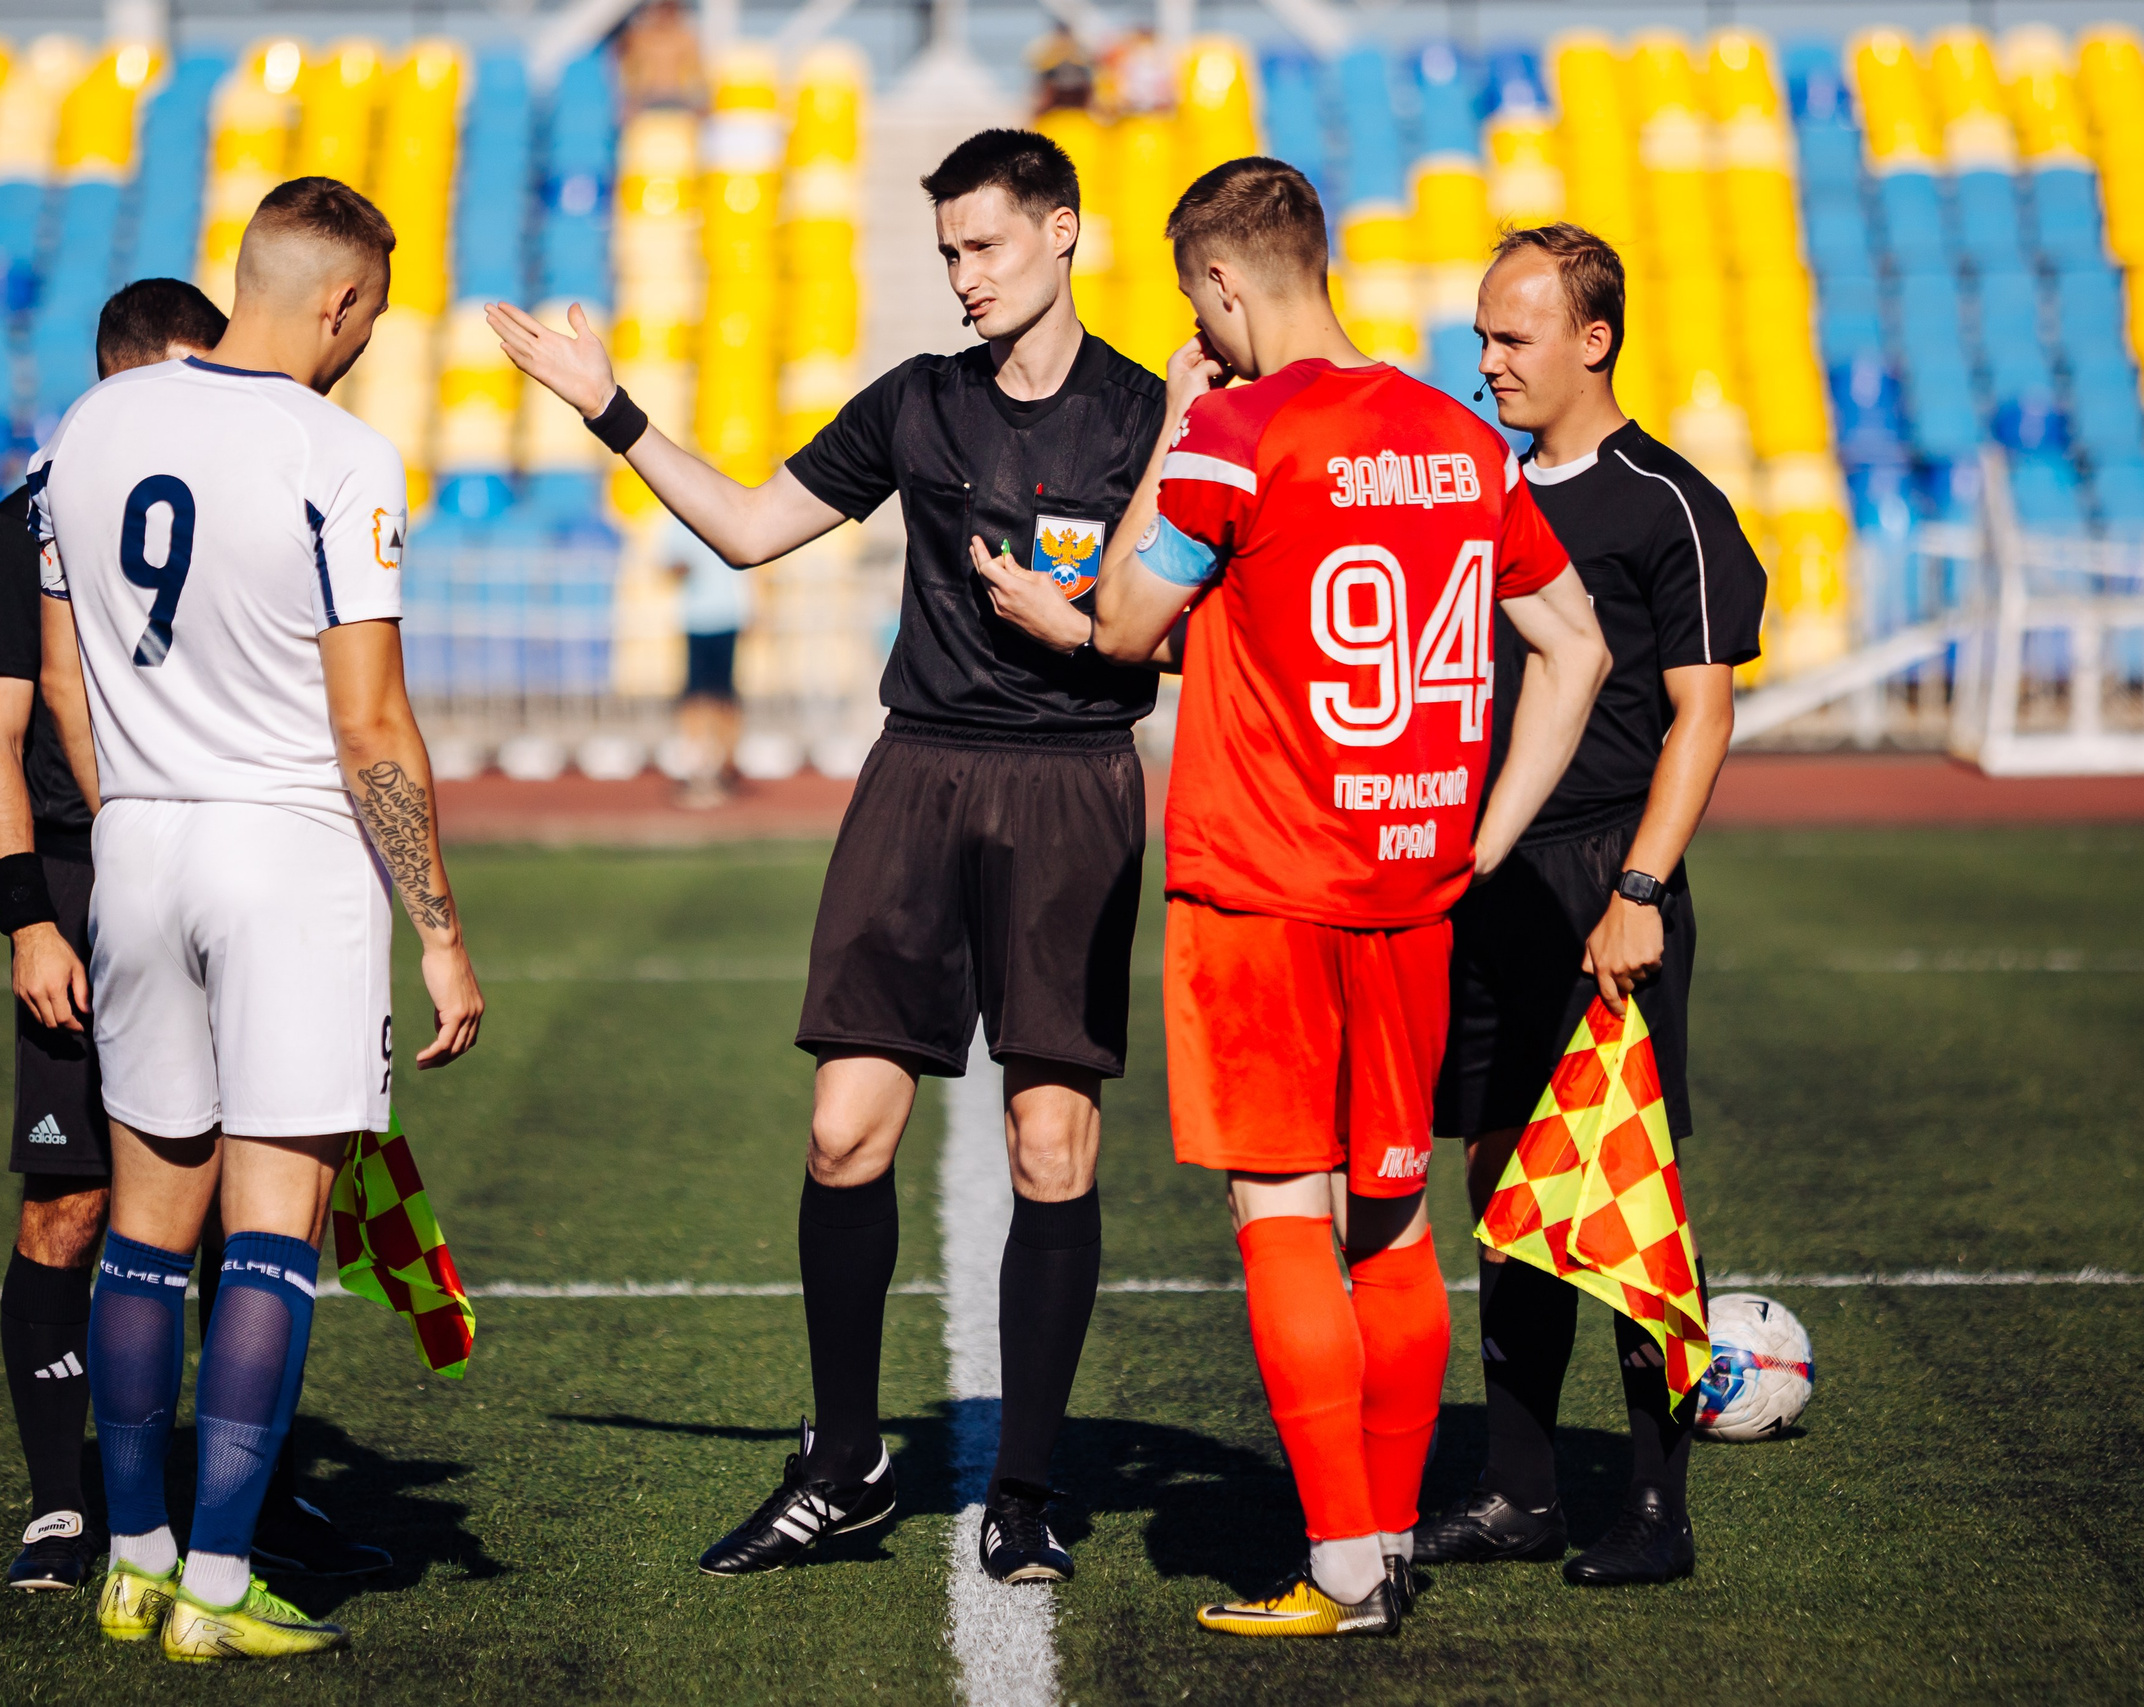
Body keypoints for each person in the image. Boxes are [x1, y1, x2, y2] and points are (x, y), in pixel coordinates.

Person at [488, 128, 1169, 1584]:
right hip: (915, 778)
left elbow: (1198, 611)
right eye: (945, 254)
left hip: (1072, 793)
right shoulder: (918, 405)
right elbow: (742, 527)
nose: (963, 277)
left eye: (984, 246)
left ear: (1063, 235)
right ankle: (845, 1463)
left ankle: (1031, 1484)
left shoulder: (1150, 417)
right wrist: (608, 406)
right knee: (842, 1130)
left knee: (1051, 1146)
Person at [981, 157, 1610, 1637]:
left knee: (1284, 1208)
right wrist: (1481, 836)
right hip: (1413, 888)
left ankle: (1339, 1564)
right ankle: (1383, 1539)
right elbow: (1572, 646)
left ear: (1217, 285)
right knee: (1392, 1219)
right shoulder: (1461, 434)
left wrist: (1178, 440)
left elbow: (1126, 625)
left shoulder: (1239, 434)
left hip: (1265, 885)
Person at [33, 178, 484, 1662]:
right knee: (273, 1228)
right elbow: (371, 725)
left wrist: (138, 817)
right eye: (369, 318)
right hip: (285, 850)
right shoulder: (336, 451)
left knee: (149, 1228)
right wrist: (439, 927)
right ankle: (220, 1582)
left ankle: (136, 1555)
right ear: (341, 301)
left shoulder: (88, 429)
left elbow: (65, 682)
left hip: (141, 843)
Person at [0, 277, 382, 1594]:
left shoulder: (233, 483)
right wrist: (32, 917)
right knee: (77, 1204)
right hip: (102, 877)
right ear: (136, 379)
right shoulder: (30, 517)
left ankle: (232, 1515)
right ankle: (63, 1505)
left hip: (205, 863)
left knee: (222, 1207)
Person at [1413, 223, 1764, 1587]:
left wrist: (1638, 888)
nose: (1489, 360)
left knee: (1620, 1189)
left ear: (1592, 337)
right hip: (1490, 881)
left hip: (1607, 877)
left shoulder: (1662, 498)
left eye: (1514, 336)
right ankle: (1519, 1489)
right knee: (1502, 1184)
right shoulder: (1481, 485)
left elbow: (1703, 711)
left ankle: (1658, 1509)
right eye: (1483, 335)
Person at [663, 514, 747, 808]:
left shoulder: (731, 517)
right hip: (697, 618)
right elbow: (671, 567)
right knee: (697, 695)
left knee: (723, 696)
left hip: (728, 615)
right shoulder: (676, 523)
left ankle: (722, 764)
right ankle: (697, 763)